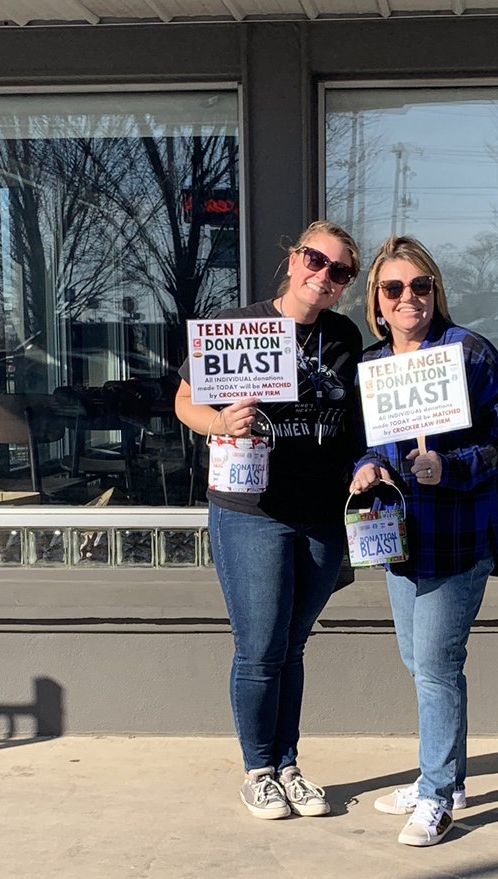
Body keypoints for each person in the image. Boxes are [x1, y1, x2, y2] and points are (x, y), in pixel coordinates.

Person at [175, 220, 363, 821]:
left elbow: (357, 421)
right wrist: (219, 424)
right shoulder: (240, 325)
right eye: (316, 260)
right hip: (252, 511)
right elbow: (183, 399)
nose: (324, 276)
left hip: (321, 515)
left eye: (340, 271)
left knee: (293, 647)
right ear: (292, 256)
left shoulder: (344, 337)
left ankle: (288, 765)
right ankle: (258, 770)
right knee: (259, 648)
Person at [350, 235, 498, 847]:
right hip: (397, 537)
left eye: (420, 286)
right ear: (376, 299)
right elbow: (366, 441)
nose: (408, 298)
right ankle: (444, 779)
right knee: (419, 662)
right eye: (394, 288)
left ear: (436, 292)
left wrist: (449, 467)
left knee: (436, 668)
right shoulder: (372, 365)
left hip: (457, 536)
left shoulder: (469, 353)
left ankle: (436, 795)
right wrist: (365, 468)